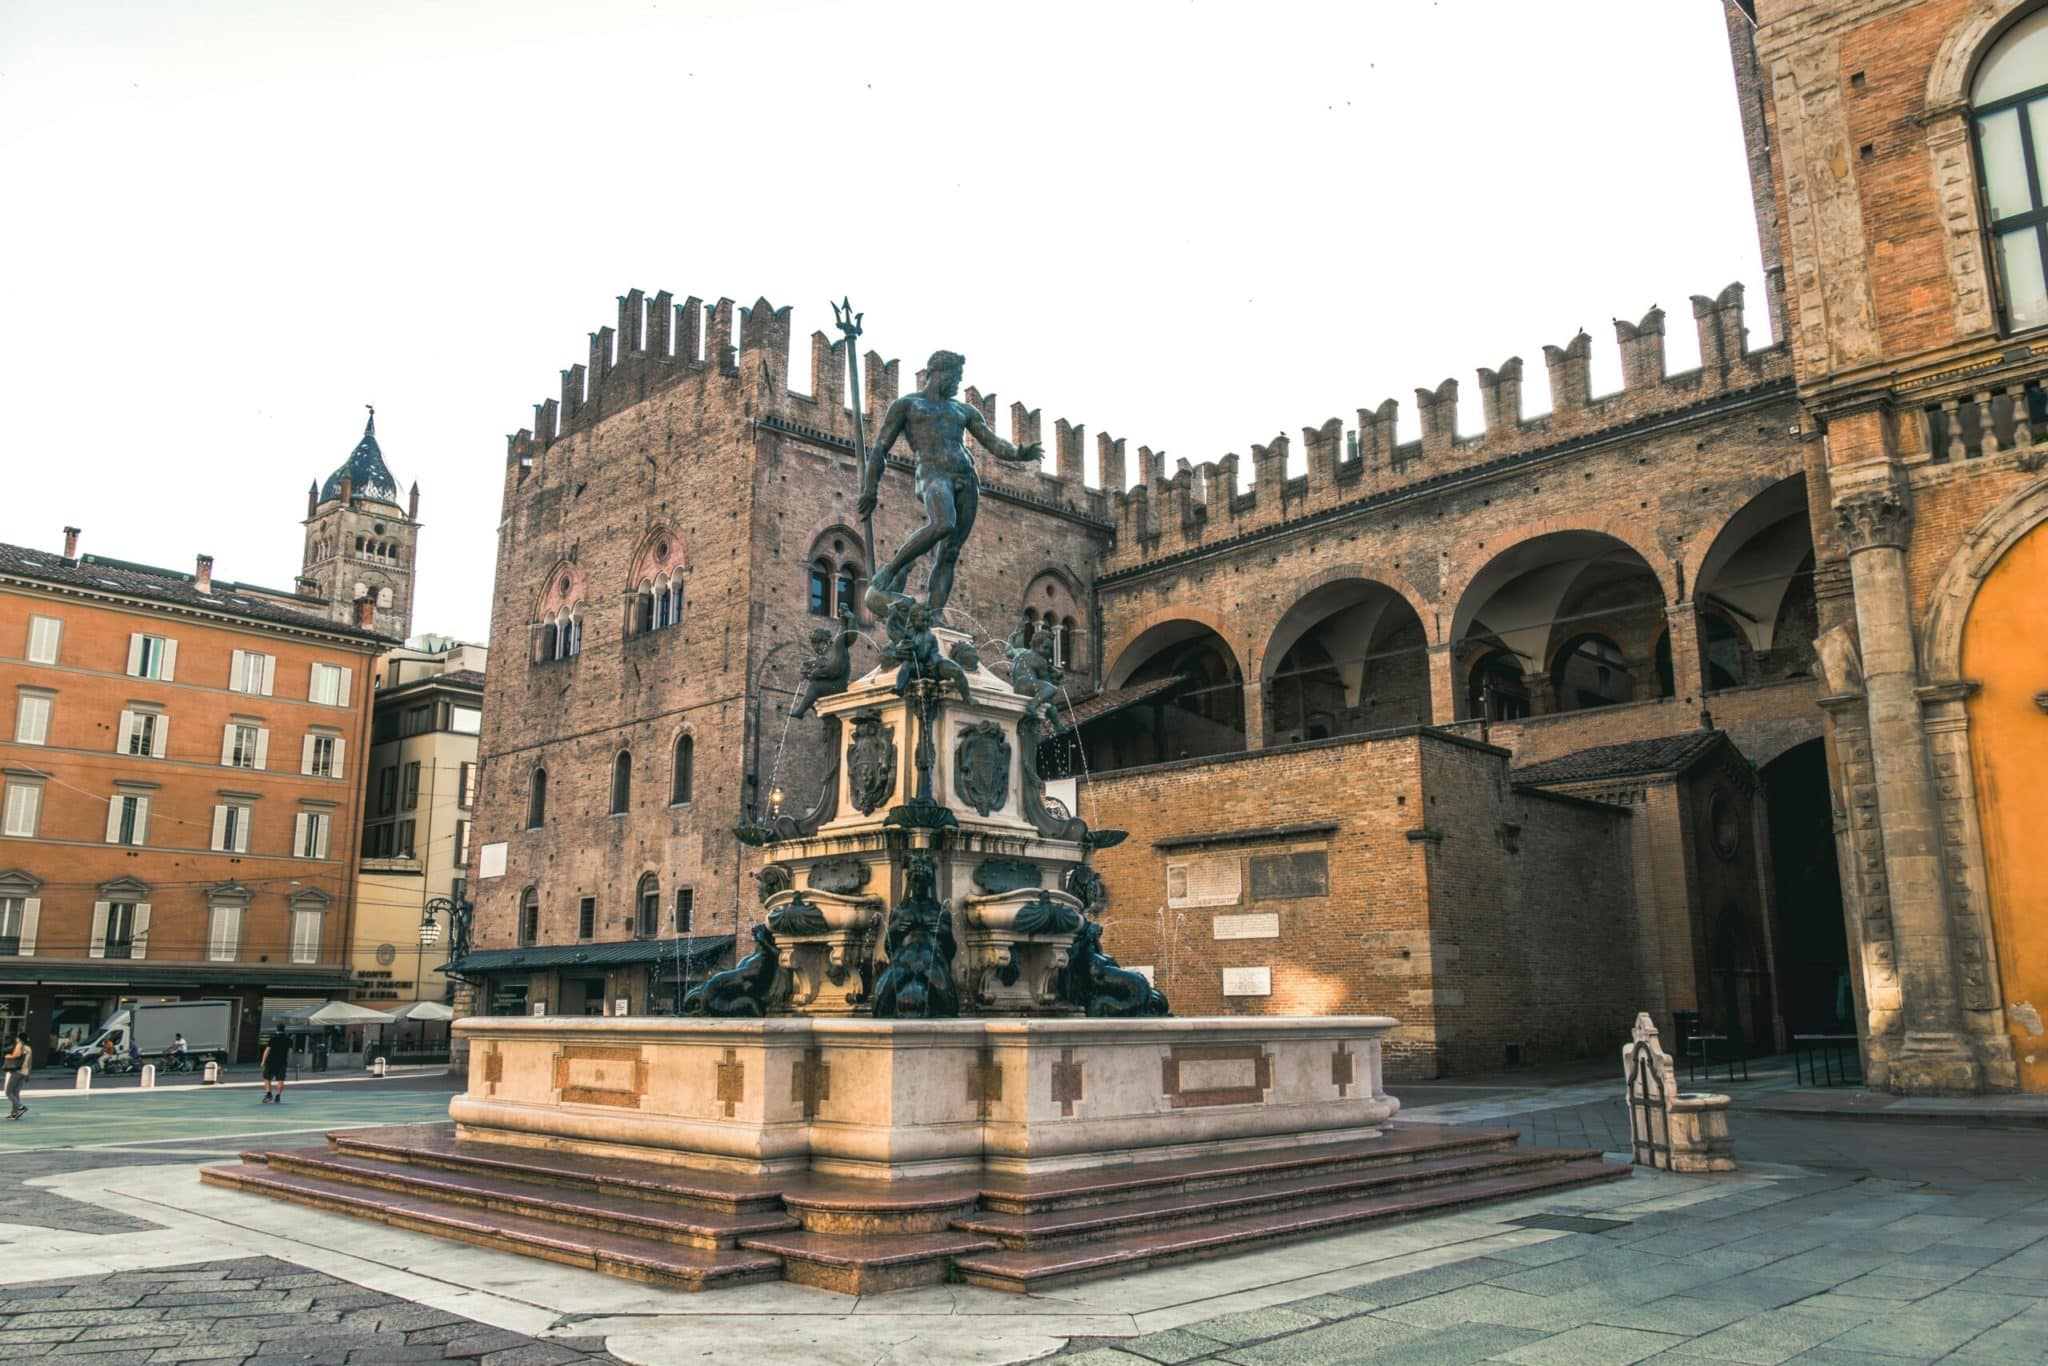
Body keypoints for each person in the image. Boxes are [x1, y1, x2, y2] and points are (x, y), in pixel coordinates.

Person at [856, 350, 1043, 619]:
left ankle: (933, 618)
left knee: (950, 551)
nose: (957, 384)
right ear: (938, 372)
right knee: (943, 523)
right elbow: (880, 448)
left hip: (967, 479)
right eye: (955, 377)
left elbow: (992, 443)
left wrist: (1018, 453)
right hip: (932, 474)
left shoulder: (963, 411)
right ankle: (890, 570)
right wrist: (870, 489)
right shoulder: (907, 406)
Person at [259, 1029, 291, 1102]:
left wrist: (263, 1061)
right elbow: (290, 1052)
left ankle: (269, 1094)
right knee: (281, 1080)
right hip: (282, 1062)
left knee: (267, 1078)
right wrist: (288, 1061)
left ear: (277, 1030)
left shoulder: (273, 1039)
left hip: (271, 1062)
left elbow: (267, 1051)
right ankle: (278, 1096)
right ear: (284, 1030)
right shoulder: (288, 1040)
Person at [3, 1033, 29, 1120]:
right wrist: (28, 1074)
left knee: (8, 1092)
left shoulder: (19, 1045)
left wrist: (9, 1056)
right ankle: (14, 1114)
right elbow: (30, 1062)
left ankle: (21, 1107)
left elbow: (16, 1055)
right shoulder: (28, 1048)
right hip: (24, 1071)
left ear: (19, 1038)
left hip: (16, 1071)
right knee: (15, 1093)